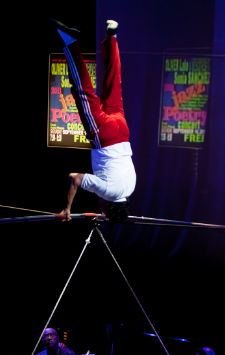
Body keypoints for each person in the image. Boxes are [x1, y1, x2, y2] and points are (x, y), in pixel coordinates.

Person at [52, 19, 136, 223]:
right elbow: (75, 177)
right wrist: (67, 208)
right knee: (82, 91)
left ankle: (112, 37)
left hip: (122, 130)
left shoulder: (131, 188)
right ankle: (70, 41)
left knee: (114, 82)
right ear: (107, 209)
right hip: (104, 136)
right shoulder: (107, 193)